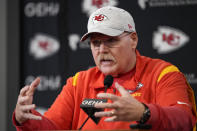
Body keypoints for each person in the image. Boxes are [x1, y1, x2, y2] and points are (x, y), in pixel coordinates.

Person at [13, 6, 197, 131]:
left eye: (111, 40)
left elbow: (184, 120)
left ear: (133, 40)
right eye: (96, 43)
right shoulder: (79, 82)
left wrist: (144, 113)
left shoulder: (163, 74)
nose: (102, 50)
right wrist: (26, 119)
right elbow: (52, 127)